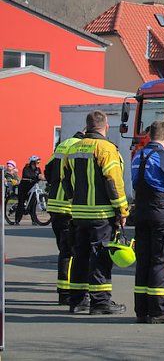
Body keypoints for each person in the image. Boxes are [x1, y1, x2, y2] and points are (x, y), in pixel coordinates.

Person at [65, 110, 129, 315]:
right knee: (100, 256)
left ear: (88, 126)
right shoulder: (106, 149)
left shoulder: (72, 149)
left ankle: (76, 301)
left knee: (80, 256)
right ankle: (100, 302)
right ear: (105, 126)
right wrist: (122, 210)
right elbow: (113, 182)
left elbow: (65, 181)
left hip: (79, 213)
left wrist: (73, 203)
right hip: (101, 214)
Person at [132, 121, 164, 324]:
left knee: (144, 260)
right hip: (162, 212)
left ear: (148, 135)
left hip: (142, 211)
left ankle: (142, 309)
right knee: (161, 261)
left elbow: (135, 183)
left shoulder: (138, 155)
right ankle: (158, 310)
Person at [44, 131, 84, 305]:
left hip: (54, 205)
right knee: (71, 252)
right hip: (69, 206)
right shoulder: (81, 148)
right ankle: (67, 293)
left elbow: (47, 170)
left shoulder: (62, 146)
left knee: (64, 250)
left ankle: (65, 291)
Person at [14, 155, 44, 224]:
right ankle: (17, 220)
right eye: (36, 162)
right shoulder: (26, 168)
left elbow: (40, 175)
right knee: (21, 203)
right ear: (32, 162)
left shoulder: (38, 169)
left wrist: (43, 178)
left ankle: (34, 220)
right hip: (24, 187)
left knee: (33, 204)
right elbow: (26, 175)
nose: (37, 164)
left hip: (32, 187)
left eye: (38, 162)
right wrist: (37, 176)